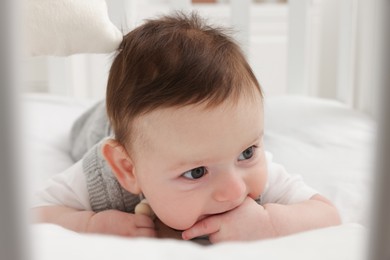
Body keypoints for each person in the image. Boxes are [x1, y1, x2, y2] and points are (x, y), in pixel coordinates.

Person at [31, 12, 340, 243]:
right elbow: (31, 215)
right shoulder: (103, 175)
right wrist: (89, 224)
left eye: (247, 152)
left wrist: (271, 223)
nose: (235, 190)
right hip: (97, 127)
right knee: (92, 128)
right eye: (196, 172)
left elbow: (327, 215)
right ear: (129, 169)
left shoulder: (244, 167)